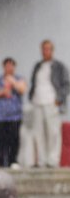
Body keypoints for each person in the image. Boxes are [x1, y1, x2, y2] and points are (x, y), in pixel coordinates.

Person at [29, 40, 70, 168]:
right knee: (39, 132)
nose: (45, 51)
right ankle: (41, 160)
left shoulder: (59, 66)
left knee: (53, 133)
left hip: (52, 102)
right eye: (43, 49)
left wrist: (59, 99)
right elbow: (33, 84)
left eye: (48, 49)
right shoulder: (38, 66)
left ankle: (52, 160)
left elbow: (66, 84)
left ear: (52, 50)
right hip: (37, 102)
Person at [0, 57, 27, 168]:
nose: (9, 68)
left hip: (14, 116)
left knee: (13, 138)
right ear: (4, 67)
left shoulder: (19, 79)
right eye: (7, 65)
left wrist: (12, 81)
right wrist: (1, 92)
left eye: (11, 65)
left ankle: (13, 160)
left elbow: (22, 90)